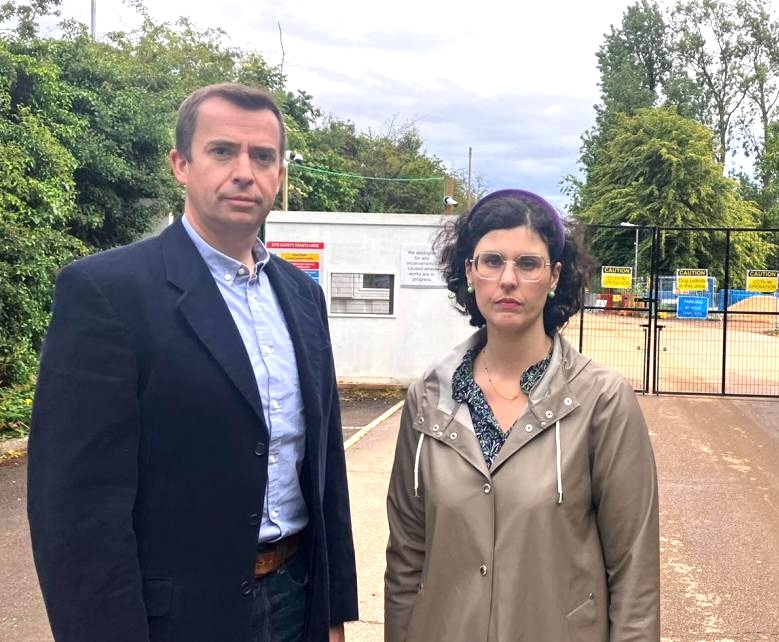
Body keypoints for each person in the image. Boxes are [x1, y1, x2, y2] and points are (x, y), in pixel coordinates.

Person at [28, 83, 358, 642]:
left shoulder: (301, 298)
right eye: (222, 151)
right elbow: (76, 509)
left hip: (295, 599)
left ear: (280, 174)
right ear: (181, 164)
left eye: (263, 156)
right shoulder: (108, 293)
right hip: (177, 620)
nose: (244, 172)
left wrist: (331, 612)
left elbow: (323, 468)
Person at [384, 189, 660, 641]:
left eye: (528, 264)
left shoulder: (601, 402)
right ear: (470, 271)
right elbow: (407, 558)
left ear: (554, 277)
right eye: (492, 261)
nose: (507, 279)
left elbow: (634, 571)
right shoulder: (428, 401)